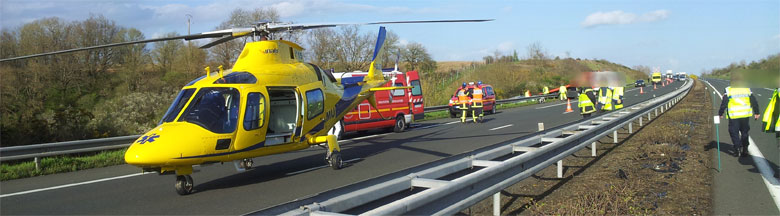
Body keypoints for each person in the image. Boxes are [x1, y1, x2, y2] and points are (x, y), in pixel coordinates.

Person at [719, 86, 761, 157]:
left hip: (734, 115)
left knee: (734, 132)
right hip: (745, 115)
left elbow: (724, 102)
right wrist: (756, 112)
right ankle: (745, 149)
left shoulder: (728, 90)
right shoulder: (746, 89)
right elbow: (753, 101)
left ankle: (737, 149)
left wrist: (720, 113)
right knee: (744, 132)